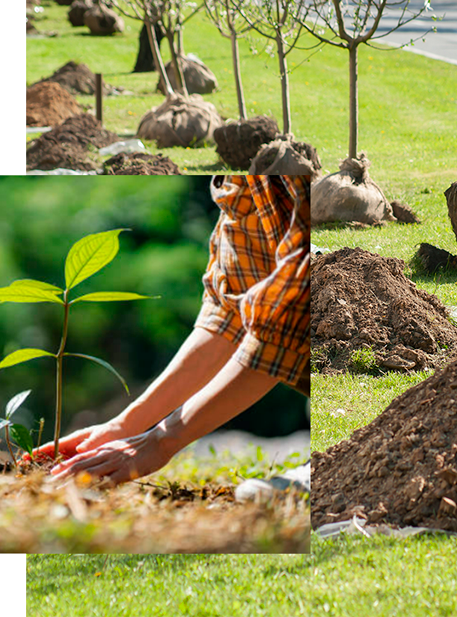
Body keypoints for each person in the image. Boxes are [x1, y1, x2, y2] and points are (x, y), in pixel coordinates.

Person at [29, 175, 310, 493]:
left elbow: (290, 316)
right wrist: (124, 426)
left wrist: (162, 441)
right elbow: (230, 312)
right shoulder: (246, 173)